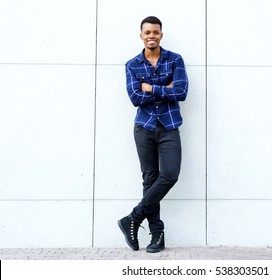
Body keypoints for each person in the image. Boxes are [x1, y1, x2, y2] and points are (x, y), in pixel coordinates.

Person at [118, 16, 189, 253]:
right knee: (150, 179)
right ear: (141, 35)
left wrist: (150, 87)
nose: (151, 35)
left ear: (161, 35)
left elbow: (181, 91)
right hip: (144, 127)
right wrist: (164, 89)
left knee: (169, 174)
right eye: (147, 32)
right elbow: (135, 98)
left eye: (155, 32)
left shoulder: (175, 59)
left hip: (169, 126)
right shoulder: (132, 64)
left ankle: (134, 217)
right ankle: (157, 234)